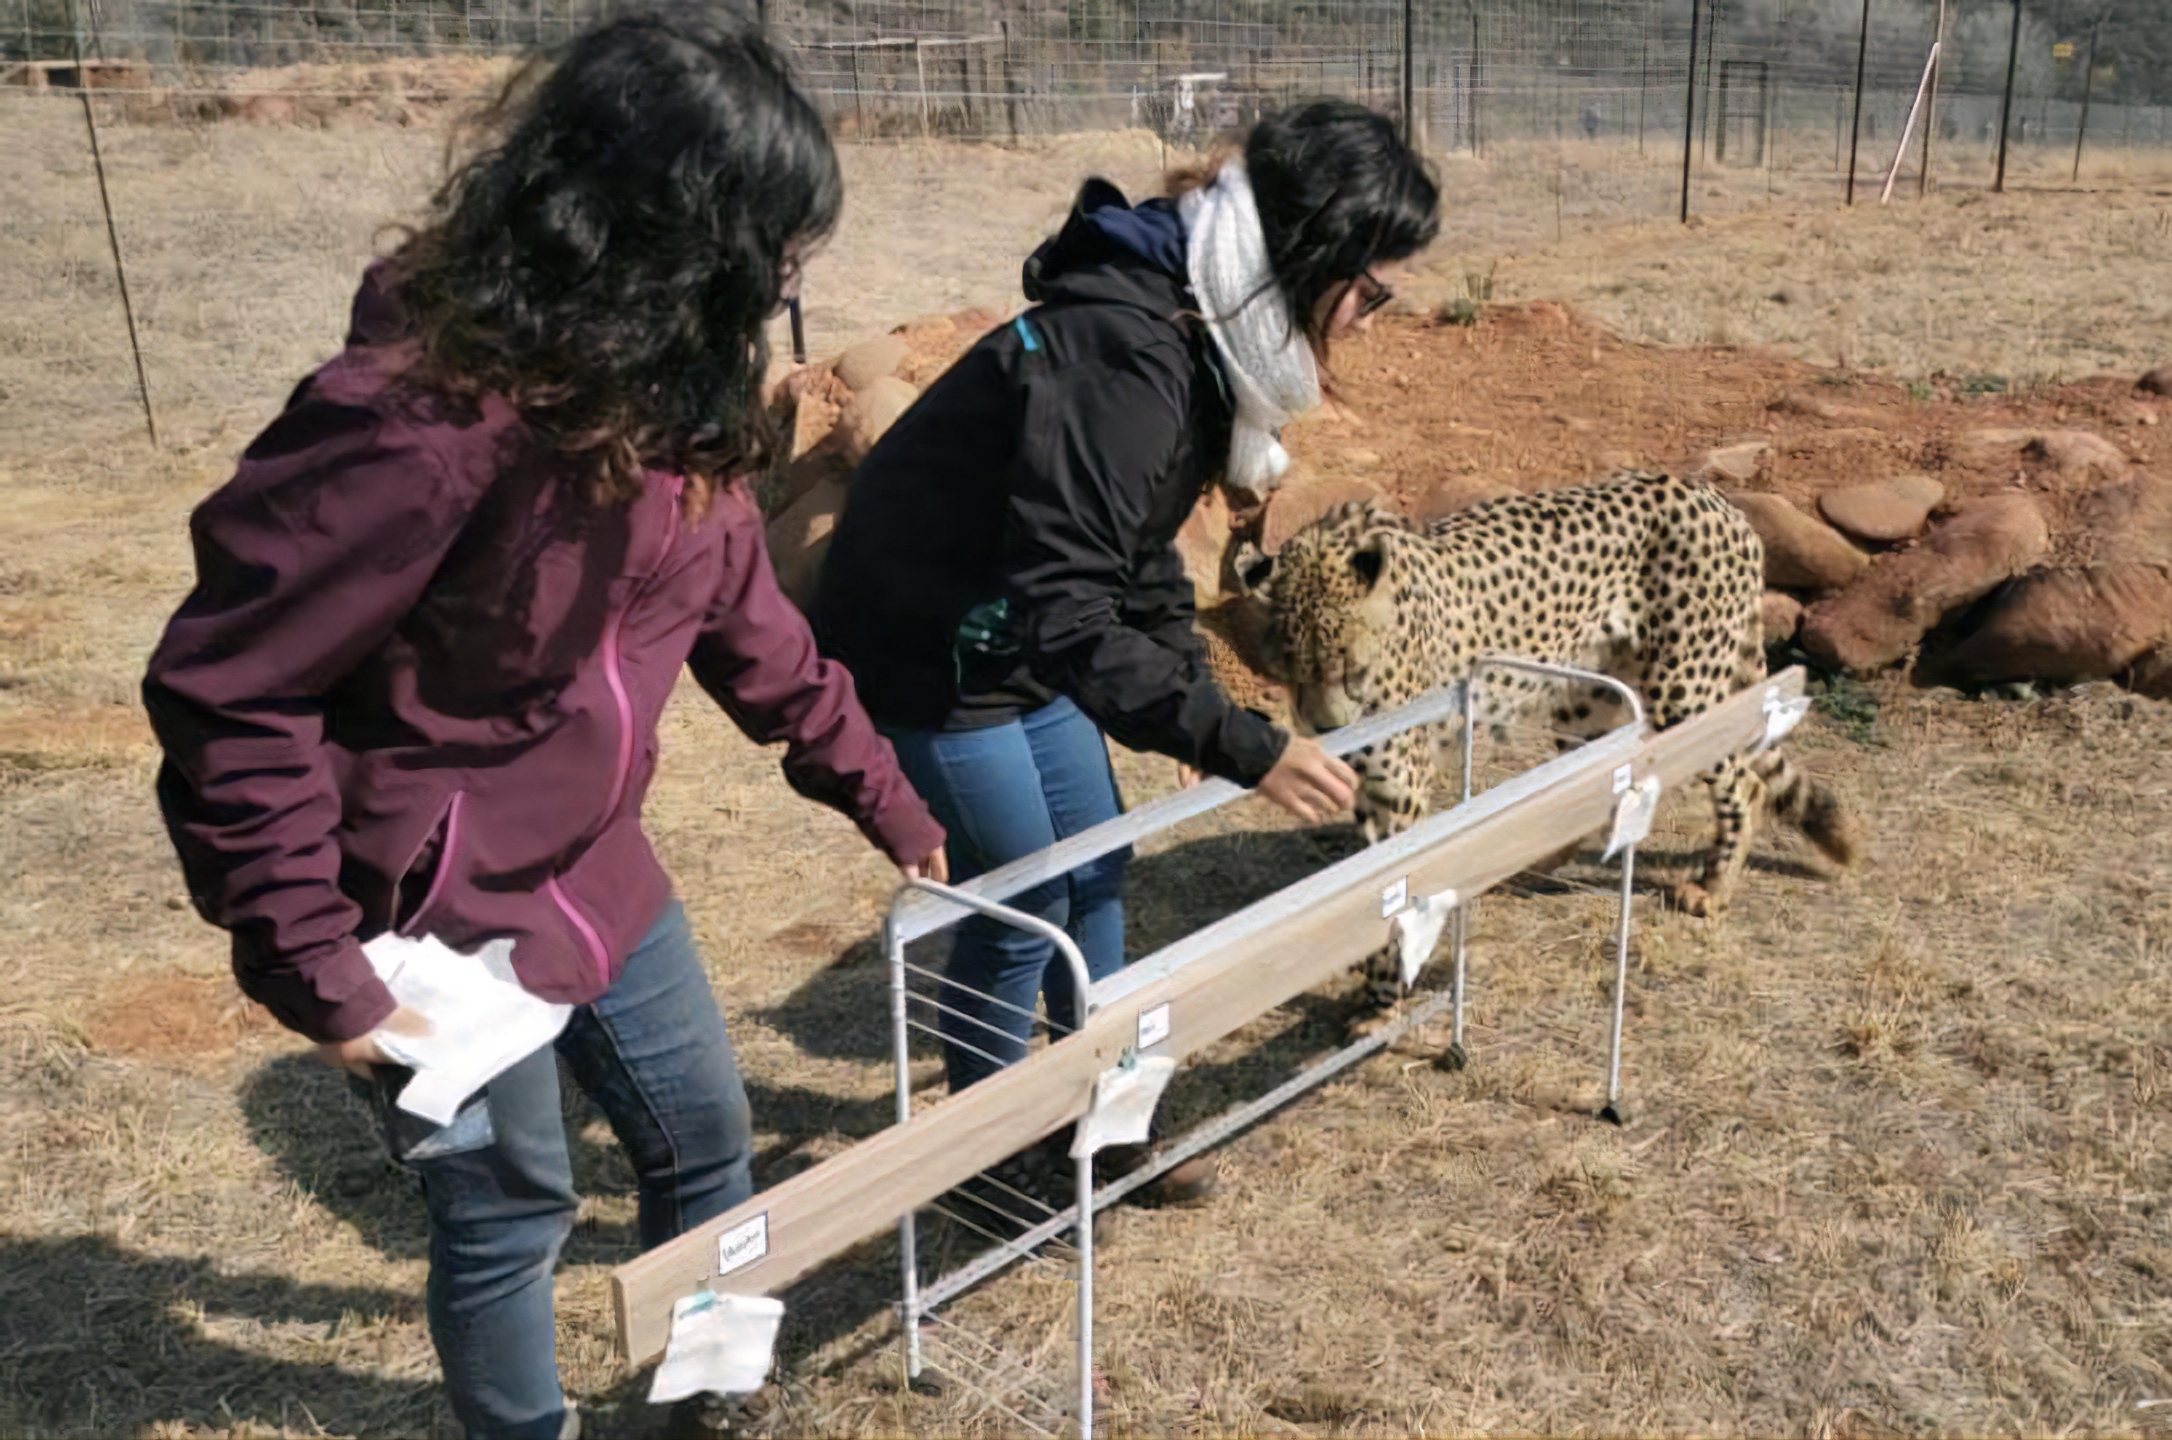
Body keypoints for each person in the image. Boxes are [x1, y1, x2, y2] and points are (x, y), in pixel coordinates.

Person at [140, 12, 945, 1438]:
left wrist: (887, 797)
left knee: (707, 1144)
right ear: (659, 234)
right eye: (772, 244)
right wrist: (309, 960)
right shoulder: (418, 425)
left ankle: (695, 1408)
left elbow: (750, 622)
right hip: (428, 906)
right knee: (514, 1201)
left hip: (597, 872)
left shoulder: (678, 407)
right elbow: (229, 685)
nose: (791, 278)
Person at [804, 99, 1439, 1198]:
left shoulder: (1195, 334)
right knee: (1020, 907)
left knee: (1096, 870)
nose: (1373, 319)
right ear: (1309, 255)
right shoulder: (1129, 354)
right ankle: (987, 1173)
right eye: (1371, 289)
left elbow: (1131, 546)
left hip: (1018, 627)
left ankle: (1109, 1130)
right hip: (936, 648)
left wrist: (1183, 688)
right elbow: (1075, 608)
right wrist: (1238, 741)